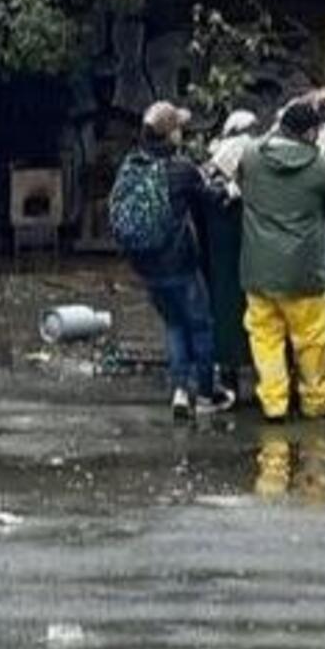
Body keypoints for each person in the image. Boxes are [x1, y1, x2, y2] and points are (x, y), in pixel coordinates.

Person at [110, 101, 234, 419]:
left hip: (146, 265)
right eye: (178, 126)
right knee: (201, 325)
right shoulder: (181, 169)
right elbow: (213, 197)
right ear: (170, 135)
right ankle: (206, 395)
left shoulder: (132, 163)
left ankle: (180, 391)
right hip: (180, 263)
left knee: (175, 325)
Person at [237, 101, 325, 423]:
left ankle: (274, 405)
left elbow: (241, 185)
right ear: (311, 132)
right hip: (304, 274)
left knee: (265, 339)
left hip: (258, 272)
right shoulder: (320, 167)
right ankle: (316, 403)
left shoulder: (251, 156)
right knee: (312, 341)